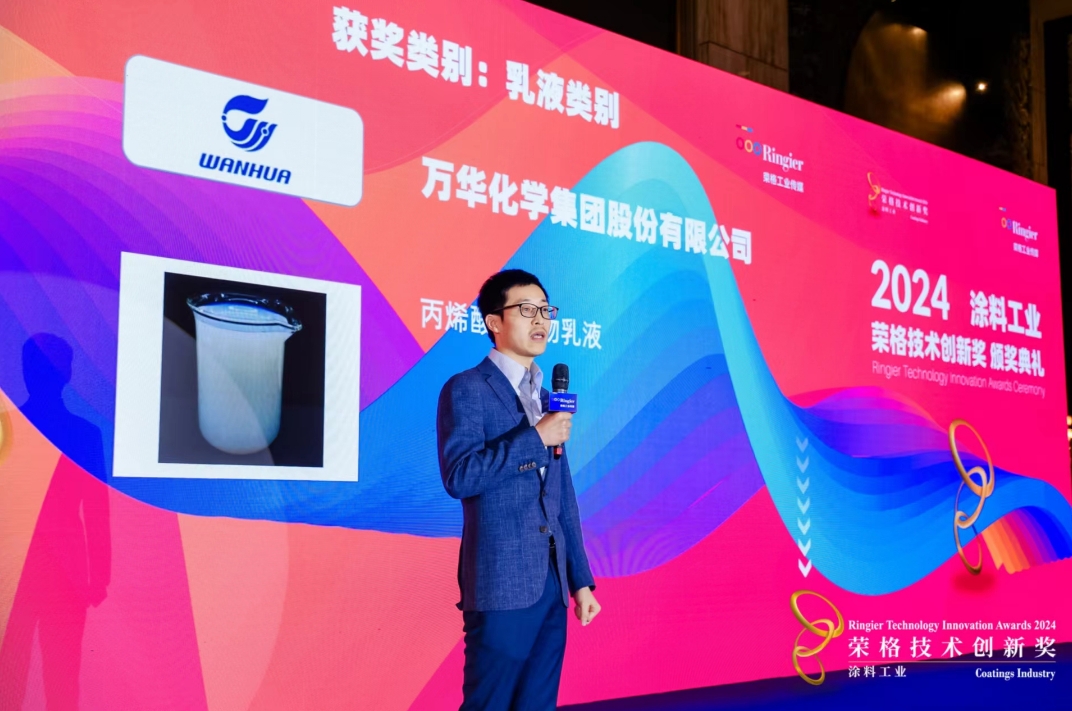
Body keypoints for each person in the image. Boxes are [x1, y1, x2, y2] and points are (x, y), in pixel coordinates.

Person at [437, 269, 601, 711]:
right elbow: (460, 476)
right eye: (527, 310)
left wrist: (580, 582)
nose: (540, 320)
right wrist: (536, 438)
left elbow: (561, 496)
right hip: (501, 582)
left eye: (545, 310)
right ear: (494, 321)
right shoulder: (467, 388)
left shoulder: (546, 399)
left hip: (552, 584)